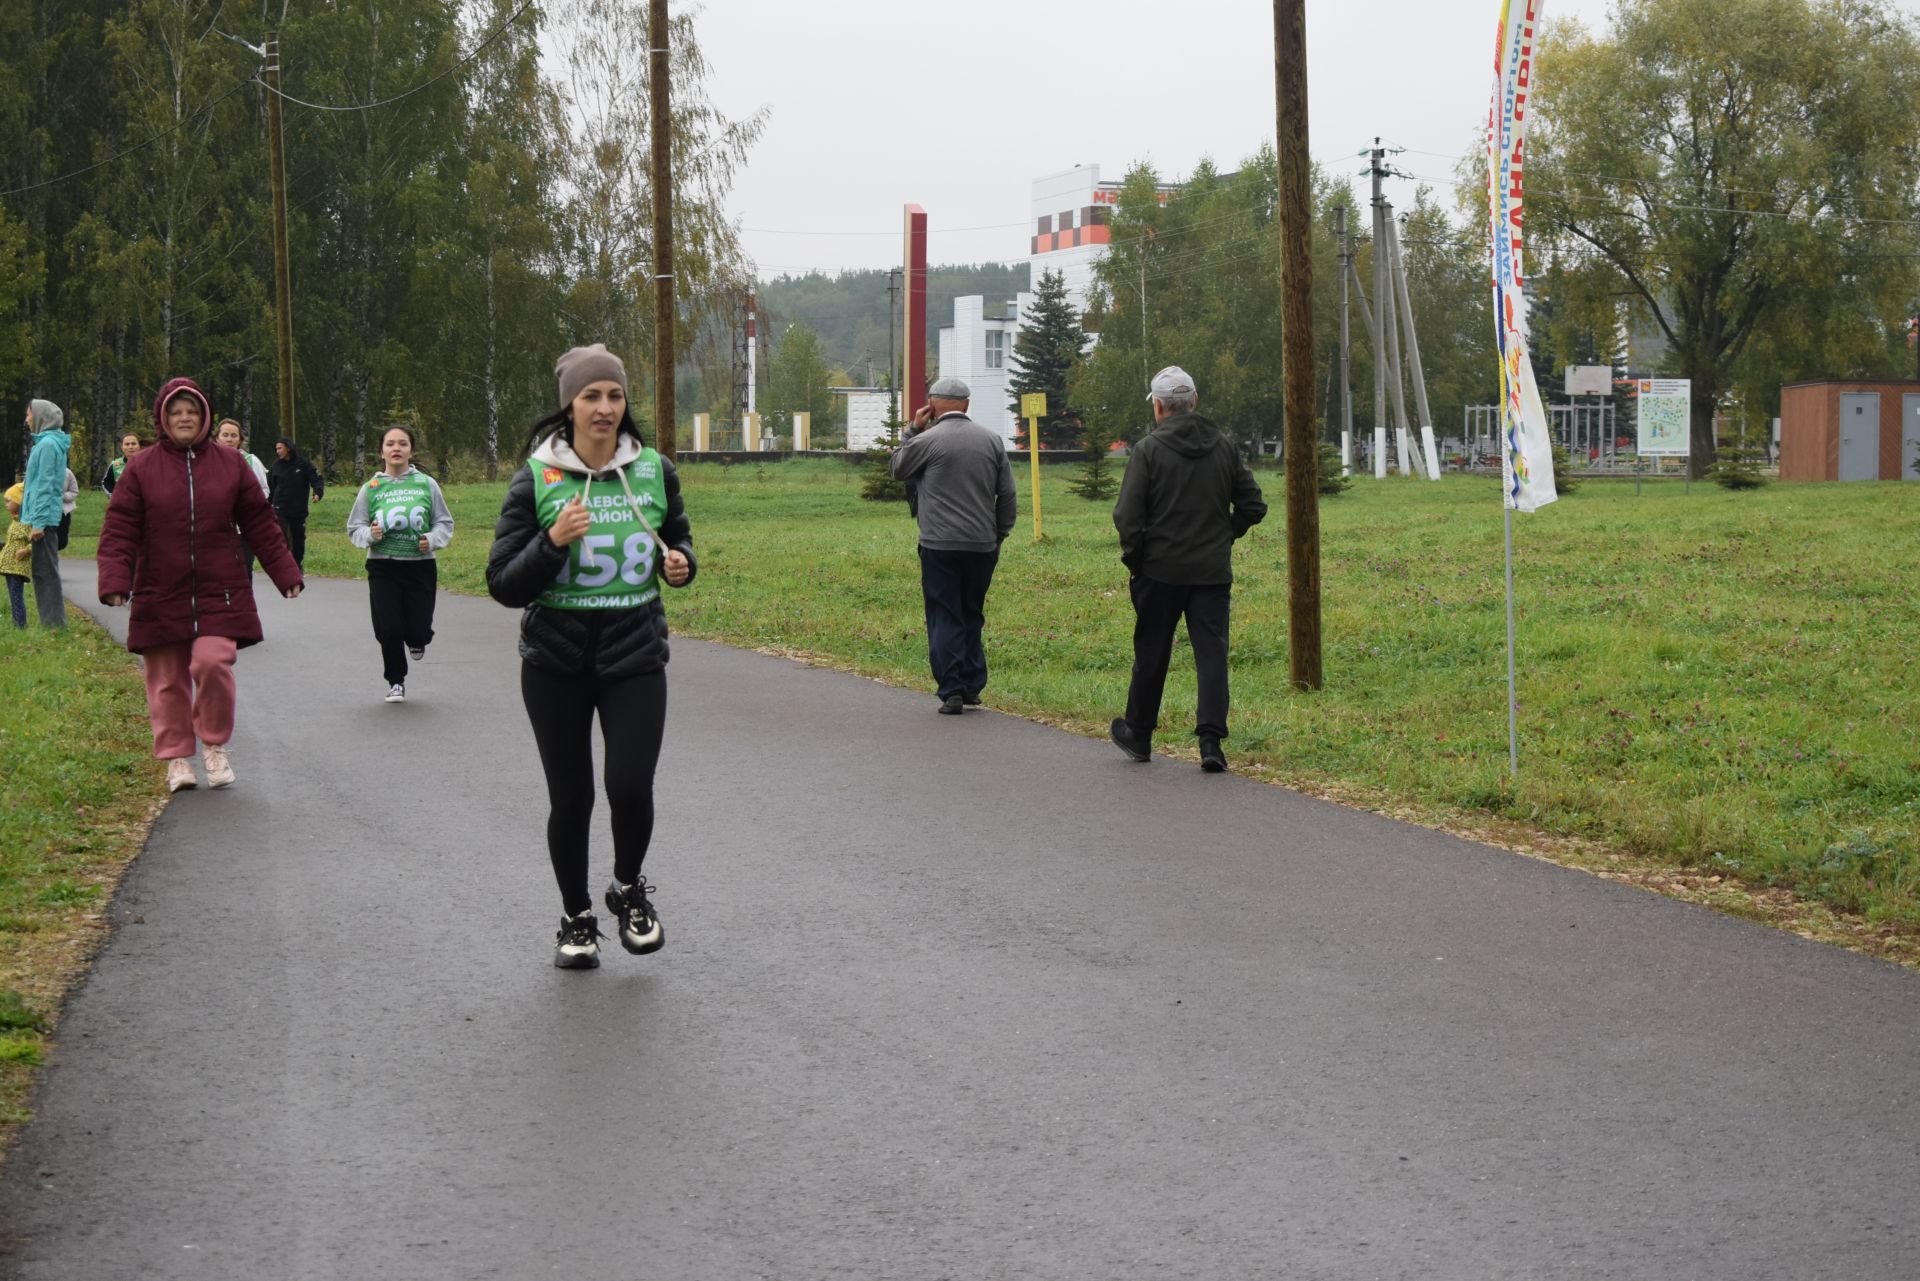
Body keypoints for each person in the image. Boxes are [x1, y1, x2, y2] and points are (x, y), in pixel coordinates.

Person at [487, 344, 695, 970]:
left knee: (630, 786)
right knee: (572, 798)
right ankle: (576, 917)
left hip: (635, 652)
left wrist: (682, 565)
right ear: (569, 405)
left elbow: (676, 534)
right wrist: (551, 543)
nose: (605, 408)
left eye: (614, 395)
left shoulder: (654, 469)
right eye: (591, 396)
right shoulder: (537, 478)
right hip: (557, 658)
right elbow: (502, 583)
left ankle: (627, 888)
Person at [96, 377, 303, 793]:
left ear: (204, 416)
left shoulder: (230, 465)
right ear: (163, 418)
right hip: (159, 588)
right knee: (167, 676)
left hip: (219, 588)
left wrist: (285, 571)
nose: (184, 418)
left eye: (192, 411)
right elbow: (119, 528)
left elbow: (260, 521)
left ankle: (213, 744)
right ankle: (176, 758)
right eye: (176, 412)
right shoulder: (141, 468)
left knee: (212, 662)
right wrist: (116, 578)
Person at [1109, 366, 1266, 774]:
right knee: (1211, 654)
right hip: (1211, 573)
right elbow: (1253, 506)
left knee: (1152, 653)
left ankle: (1139, 734)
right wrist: (1224, 536)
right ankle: (1211, 740)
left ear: (1159, 407)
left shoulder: (1148, 450)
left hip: (1158, 572)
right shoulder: (1224, 447)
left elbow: (1128, 515)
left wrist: (1136, 560)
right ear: (1194, 401)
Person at [887, 376, 1017, 714]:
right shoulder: (991, 441)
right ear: (967, 405)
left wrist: (911, 430)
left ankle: (953, 688)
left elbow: (898, 468)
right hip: (981, 544)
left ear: (932, 406)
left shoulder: (928, 440)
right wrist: (999, 533)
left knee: (944, 613)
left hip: (939, 544)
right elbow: (1007, 495)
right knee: (972, 611)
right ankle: (973, 685)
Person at [346, 424, 454, 703]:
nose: (396, 448)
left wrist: (431, 539)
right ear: (381, 451)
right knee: (389, 629)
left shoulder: (426, 485)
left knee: (418, 631)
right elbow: (354, 527)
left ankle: (418, 639)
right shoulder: (371, 488)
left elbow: (444, 522)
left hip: (420, 566)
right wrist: (370, 535)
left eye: (403, 444)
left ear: (411, 451)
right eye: (391, 444)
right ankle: (396, 681)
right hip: (383, 566)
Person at [20, 399, 70, 629]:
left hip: (45, 520)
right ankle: (51, 624)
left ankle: (54, 626)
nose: (27, 419)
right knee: (42, 572)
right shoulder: (46, 443)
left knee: (45, 573)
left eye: (29, 415)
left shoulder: (48, 445)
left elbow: (45, 485)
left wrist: (38, 522)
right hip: (43, 518)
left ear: (41, 417)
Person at [266, 436, 324, 566]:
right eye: (276, 449)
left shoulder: (304, 464)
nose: (277, 451)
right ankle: (283, 564)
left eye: (280, 448)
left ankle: (296, 564)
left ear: (288, 448)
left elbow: (316, 479)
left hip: (298, 509)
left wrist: (317, 493)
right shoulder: (276, 466)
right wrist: (267, 505)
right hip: (280, 508)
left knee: (298, 540)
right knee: (280, 537)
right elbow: (270, 487)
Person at [216, 419, 270, 496]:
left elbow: (264, 490)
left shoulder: (252, 460)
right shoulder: (209, 461)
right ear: (217, 439)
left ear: (240, 439)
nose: (229, 439)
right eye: (225, 435)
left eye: (234, 435)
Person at [2, 483, 30, 628]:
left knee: (16, 596)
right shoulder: (15, 521)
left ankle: (20, 624)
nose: (6, 505)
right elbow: (11, 543)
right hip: (9, 567)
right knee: (13, 596)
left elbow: (36, 541)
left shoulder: (27, 522)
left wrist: (26, 550)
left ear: (19, 501)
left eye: (9, 501)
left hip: (18, 567)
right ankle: (16, 621)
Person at [58, 469, 78, 550]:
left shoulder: (67, 473)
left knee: (61, 542)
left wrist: (61, 496)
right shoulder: (41, 470)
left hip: (63, 512)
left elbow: (74, 492)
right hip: (45, 512)